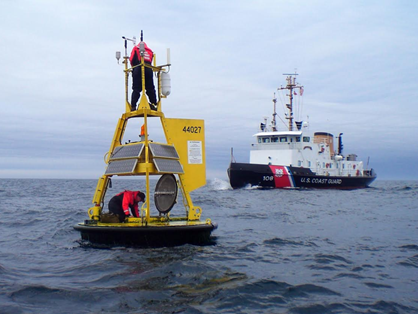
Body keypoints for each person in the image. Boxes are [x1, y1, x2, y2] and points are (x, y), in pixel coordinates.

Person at [129, 41, 157, 111]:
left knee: (136, 89)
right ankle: (154, 103)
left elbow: (132, 59)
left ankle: (133, 106)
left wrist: (134, 68)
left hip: (138, 68)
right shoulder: (150, 51)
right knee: (150, 88)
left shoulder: (136, 48)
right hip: (148, 68)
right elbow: (150, 60)